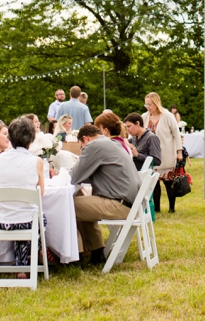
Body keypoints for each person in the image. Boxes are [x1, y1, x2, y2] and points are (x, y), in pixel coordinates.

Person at [70, 117, 142, 265]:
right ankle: (96, 251)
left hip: (119, 204)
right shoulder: (111, 143)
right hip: (131, 204)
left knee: (67, 205)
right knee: (82, 202)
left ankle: (76, 255)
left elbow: (74, 177)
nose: (82, 150)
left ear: (85, 139)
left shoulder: (93, 146)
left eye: (81, 147)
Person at [0, 117, 48, 275]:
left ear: (10, 137)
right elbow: (40, 193)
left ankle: (21, 265)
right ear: (31, 138)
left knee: (22, 214)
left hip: (0, 221)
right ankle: (37, 250)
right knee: (38, 218)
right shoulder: (36, 161)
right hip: (26, 222)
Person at [142, 93, 181, 213]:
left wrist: (179, 152)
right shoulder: (144, 117)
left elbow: (176, 134)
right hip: (152, 155)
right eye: (146, 104)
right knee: (154, 184)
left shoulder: (167, 116)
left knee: (169, 183)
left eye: (149, 104)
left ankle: (171, 208)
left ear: (156, 103)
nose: (148, 107)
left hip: (167, 153)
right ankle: (157, 208)